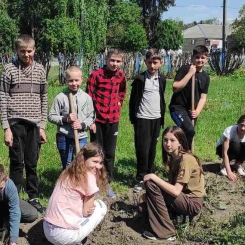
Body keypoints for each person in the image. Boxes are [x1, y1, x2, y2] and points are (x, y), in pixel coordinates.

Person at [0, 34, 48, 213]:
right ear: (17, 51)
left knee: (32, 162)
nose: (26, 55)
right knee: (17, 162)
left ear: (34, 50)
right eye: (22, 51)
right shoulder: (9, 70)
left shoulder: (40, 70)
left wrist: (42, 126)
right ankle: (14, 198)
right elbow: (2, 98)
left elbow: (44, 97)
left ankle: (33, 196)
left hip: (34, 125)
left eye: (29, 51)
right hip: (15, 124)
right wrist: (6, 128)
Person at [43, 142, 108, 245]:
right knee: (101, 206)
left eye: (100, 163)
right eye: (95, 162)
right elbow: (86, 211)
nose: (98, 166)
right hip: (63, 235)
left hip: (48, 229)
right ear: (84, 159)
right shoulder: (88, 176)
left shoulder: (68, 172)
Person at [140, 126, 205, 240]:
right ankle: (175, 217)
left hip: (192, 203)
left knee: (151, 183)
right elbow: (171, 186)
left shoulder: (186, 160)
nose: (168, 144)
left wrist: (153, 177)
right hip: (183, 199)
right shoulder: (174, 158)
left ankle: (166, 233)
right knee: (143, 208)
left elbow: (175, 191)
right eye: (165, 140)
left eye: (172, 140)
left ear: (180, 142)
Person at [87, 48, 127, 199]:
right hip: (98, 120)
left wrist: (119, 102)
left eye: (118, 61)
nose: (114, 63)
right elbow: (89, 96)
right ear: (106, 60)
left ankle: (107, 181)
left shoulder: (121, 76)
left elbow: (122, 91)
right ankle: (95, 181)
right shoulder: (96, 75)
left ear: (121, 62)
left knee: (109, 153)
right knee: (97, 152)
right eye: (112, 60)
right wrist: (91, 119)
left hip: (113, 119)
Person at [129, 48, 167, 192]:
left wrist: (161, 116)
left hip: (156, 118)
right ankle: (140, 178)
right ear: (145, 62)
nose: (152, 66)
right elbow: (133, 101)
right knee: (142, 150)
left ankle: (150, 177)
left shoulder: (162, 79)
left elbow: (162, 98)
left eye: (155, 62)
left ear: (161, 63)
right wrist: (134, 118)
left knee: (152, 149)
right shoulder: (140, 79)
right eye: (150, 62)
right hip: (142, 119)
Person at [48, 66, 95, 170]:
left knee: (82, 163)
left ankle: (80, 184)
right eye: (70, 81)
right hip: (64, 136)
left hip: (81, 136)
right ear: (66, 81)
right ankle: (67, 184)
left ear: (82, 79)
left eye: (76, 80)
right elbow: (51, 116)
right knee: (67, 164)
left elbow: (91, 116)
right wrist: (65, 119)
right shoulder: (60, 97)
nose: (74, 83)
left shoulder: (87, 98)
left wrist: (82, 125)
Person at [169, 45, 210, 148]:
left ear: (206, 59)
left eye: (202, 57)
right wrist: (190, 74)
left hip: (192, 111)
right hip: (177, 108)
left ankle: (184, 156)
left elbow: (203, 97)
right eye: (197, 57)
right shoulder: (185, 69)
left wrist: (197, 111)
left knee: (188, 135)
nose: (199, 60)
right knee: (189, 131)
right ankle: (183, 155)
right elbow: (175, 87)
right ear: (192, 58)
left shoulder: (206, 77)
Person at [216, 114, 245, 182]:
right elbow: (224, 152)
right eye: (241, 125)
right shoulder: (229, 131)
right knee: (236, 145)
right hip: (222, 149)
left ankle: (237, 164)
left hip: (237, 149)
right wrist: (229, 172)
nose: (243, 128)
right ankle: (224, 165)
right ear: (238, 123)